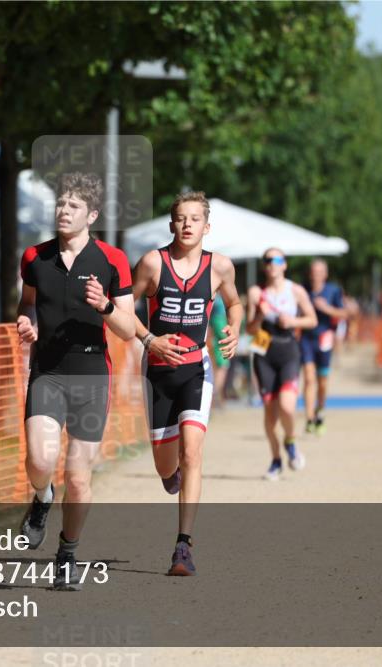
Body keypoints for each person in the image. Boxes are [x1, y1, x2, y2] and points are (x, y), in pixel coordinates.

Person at [16, 172, 137, 591]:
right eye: (60, 204)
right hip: (47, 371)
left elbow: (128, 328)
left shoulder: (112, 260)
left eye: (73, 206)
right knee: (39, 461)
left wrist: (105, 306)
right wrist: (26, 322)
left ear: (92, 215)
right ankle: (42, 497)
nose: (63, 212)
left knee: (80, 476)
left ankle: (67, 554)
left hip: (90, 375)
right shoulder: (35, 257)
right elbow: (28, 304)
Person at [131, 191, 242, 575]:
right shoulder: (151, 263)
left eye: (195, 218)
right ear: (171, 224)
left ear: (206, 227)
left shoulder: (220, 267)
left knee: (192, 452)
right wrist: (149, 339)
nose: (188, 224)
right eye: (181, 218)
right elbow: (123, 308)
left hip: (197, 368)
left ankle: (183, 547)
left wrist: (234, 328)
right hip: (158, 373)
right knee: (167, 466)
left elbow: (235, 302)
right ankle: (170, 475)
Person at [246, 248, 317, 481]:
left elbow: (312, 319)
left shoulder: (295, 290)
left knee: (287, 406)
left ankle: (291, 441)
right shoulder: (257, 292)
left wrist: (293, 320)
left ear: (284, 264)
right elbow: (250, 329)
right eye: (267, 260)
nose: (272, 264)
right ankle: (276, 460)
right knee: (270, 413)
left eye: (277, 260)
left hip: (288, 349)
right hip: (263, 347)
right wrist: (259, 315)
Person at [300, 259, 347, 435]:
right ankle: (310, 418)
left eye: (320, 271)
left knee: (322, 382)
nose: (316, 275)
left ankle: (320, 410)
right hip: (306, 339)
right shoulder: (303, 290)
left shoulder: (333, 290)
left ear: (325, 274)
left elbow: (344, 313)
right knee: (309, 378)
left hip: (325, 339)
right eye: (314, 271)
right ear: (310, 273)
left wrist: (326, 309)